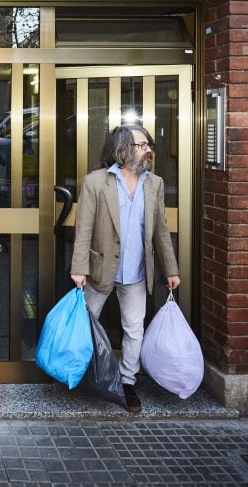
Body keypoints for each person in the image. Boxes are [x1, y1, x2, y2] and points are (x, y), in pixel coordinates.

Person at [70, 124, 180, 413]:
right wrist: (79, 268)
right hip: (99, 270)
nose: (148, 151)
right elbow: (83, 229)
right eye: (142, 146)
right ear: (123, 149)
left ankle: (128, 382)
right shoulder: (95, 182)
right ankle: (83, 376)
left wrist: (171, 270)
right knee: (86, 326)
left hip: (136, 273)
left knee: (134, 330)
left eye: (148, 146)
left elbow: (161, 231)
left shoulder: (153, 184)